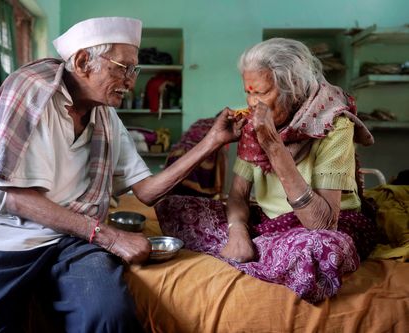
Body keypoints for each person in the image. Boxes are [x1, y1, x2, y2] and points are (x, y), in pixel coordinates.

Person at [0, 17, 243, 333]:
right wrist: (109, 236)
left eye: (134, 70)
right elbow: (18, 201)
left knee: (109, 316)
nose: (131, 82)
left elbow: (146, 190)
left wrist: (212, 142)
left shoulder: (105, 118)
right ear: (84, 61)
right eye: (123, 68)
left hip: (72, 237)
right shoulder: (32, 96)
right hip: (5, 235)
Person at [155, 38, 378, 303]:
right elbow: (237, 194)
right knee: (172, 207)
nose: (251, 102)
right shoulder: (255, 122)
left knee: (317, 250)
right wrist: (238, 231)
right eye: (248, 92)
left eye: (261, 93)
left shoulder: (333, 123)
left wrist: (273, 145)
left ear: (293, 89)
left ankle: (264, 251)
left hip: (327, 226)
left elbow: (322, 223)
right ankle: (261, 250)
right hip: (266, 223)